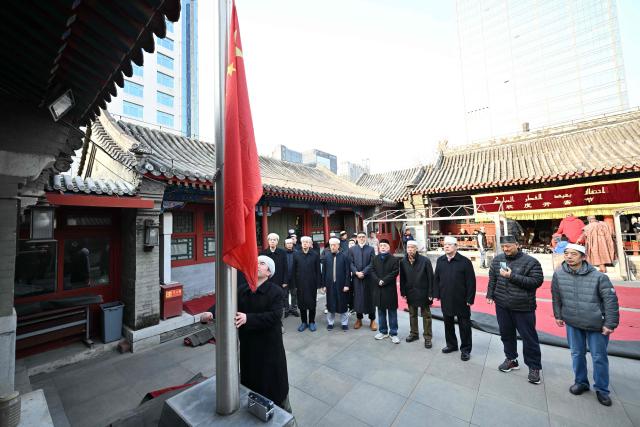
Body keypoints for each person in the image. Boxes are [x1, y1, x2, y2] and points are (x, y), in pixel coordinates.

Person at [200, 256, 293, 413]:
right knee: (251, 384)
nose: (257, 265)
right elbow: (225, 302)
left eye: (262, 263)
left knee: (275, 389)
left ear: (269, 272)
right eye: (255, 262)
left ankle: (286, 416)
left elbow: (275, 315)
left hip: (270, 349)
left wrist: (248, 318)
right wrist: (210, 313)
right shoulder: (243, 290)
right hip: (249, 347)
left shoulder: (276, 292)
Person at [551, 243, 620, 407]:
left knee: (599, 357)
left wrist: (610, 323)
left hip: (596, 323)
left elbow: (611, 301)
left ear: (583, 257)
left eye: (573, 254)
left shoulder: (599, 277)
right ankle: (581, 382)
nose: (568, 257)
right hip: (573, 322)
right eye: (566, 253)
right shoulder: (559, 275)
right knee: (576, 353)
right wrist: (558, 315)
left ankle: (602, 389)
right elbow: (556, 297)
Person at [487, 235, 544, 385]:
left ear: (517, 245)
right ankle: (511, 359)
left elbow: (536, 282)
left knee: (529, 338)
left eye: (509, 246)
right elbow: (492, 278)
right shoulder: (498, 259)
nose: (506, 249)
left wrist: (512, 276)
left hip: (523, 307)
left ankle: (534, 367)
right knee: (506, 334)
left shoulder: (531, 262)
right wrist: (490, 294)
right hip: (502, 305)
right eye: (504, 247)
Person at [433, 236, 476, 361]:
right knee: (448, 323)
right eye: (445, 244)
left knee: (464, 325)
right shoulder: (440, 260)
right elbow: (437, 279)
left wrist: (470, 298)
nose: (446, 246)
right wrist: (436, 294)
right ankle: (451, 345)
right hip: (446, 298)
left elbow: (471, 282)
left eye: (450, 244)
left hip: (462, 300)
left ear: (456, 246)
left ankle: (466, 349)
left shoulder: (465, 262)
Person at [400, 240, 435, 348]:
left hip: (423, 292)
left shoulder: (425, 261)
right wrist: (403, 292)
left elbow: (431, 278)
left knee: (427, 316)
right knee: (412, 314)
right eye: (408, 247)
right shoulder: (403, 261)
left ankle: (428, 338)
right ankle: (414, 333)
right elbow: (402, 278)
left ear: (416, 249)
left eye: (412, 247)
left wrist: (431, 293)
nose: (410, 249)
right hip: (410, 292)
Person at [371, 239, 400, 343]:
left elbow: (395, 272)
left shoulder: (394, 259)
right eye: (381, 245)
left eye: (385, 245)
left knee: (392, 312)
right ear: (379, 247)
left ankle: (393, 333)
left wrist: (384, 281)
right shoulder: (375, 258)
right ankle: (383, 331)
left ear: (388, 247)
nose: (382, 247)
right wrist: (378, 280)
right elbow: (372, 270)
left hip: (389, 289)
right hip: (378, 289)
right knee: (381, 312)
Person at [291, 236, 322, 332]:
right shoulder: (296, 255)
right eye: (303, 242)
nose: (305, 243)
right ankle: (304, 322)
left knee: (312, 303)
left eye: (307, 242)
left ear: (310, 244)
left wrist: (319, 285)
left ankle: (312, 321)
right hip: (300, 283)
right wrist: (294, 284)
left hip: (311, 283)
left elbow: (318, 270)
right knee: (301, 303)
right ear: (301, 243)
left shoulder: (315, 254)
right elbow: (293, 270)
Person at [321, 238, 351, 331]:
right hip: (330, 284)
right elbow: (324, 272)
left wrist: (347, 284)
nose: (332, 247)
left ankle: (344, 323)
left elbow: (347, 272)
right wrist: (324, 285)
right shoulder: (326, 257)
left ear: (338, 246)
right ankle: (330, 322)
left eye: (334, 245)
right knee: (330, 303)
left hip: (341, 284)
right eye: (331, 245)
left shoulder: (344, 256)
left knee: (343, 303)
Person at [349, 231, 377, 330]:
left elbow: (372, 263)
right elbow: (350, 263)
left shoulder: (371, 249)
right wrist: (356, 272)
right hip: (356, 278)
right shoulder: (352, 249)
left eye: (363, 237)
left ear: (365, 238)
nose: (361, 238)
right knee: (358, 298)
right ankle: (359, 319)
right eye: (359, 237)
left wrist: (364, 272)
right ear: (357, 238)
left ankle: (372, 320)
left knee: (370, 298)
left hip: (368, 278)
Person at [261, 233, 288, 316]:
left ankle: (280, 319)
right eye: (270, 240)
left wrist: (285, 281)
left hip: (280, 281)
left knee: (279, 300)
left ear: (277, 241)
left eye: (274, 240)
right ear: (268, 241)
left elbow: (285, 267)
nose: (272, 241)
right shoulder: (264, 253)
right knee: (268, 300)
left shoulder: (282, 252)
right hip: (268, 281)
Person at [283, 238, 299, 317]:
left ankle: (294, 309)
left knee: (294, 294)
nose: (289, 244)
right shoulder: (282, 253)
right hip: (285, 278)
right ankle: (286, 309)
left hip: (294, 278)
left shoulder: (297, 253)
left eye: (290, 243)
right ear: (285, 245)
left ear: (292, 244)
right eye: (287, 243)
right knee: (285, 294)